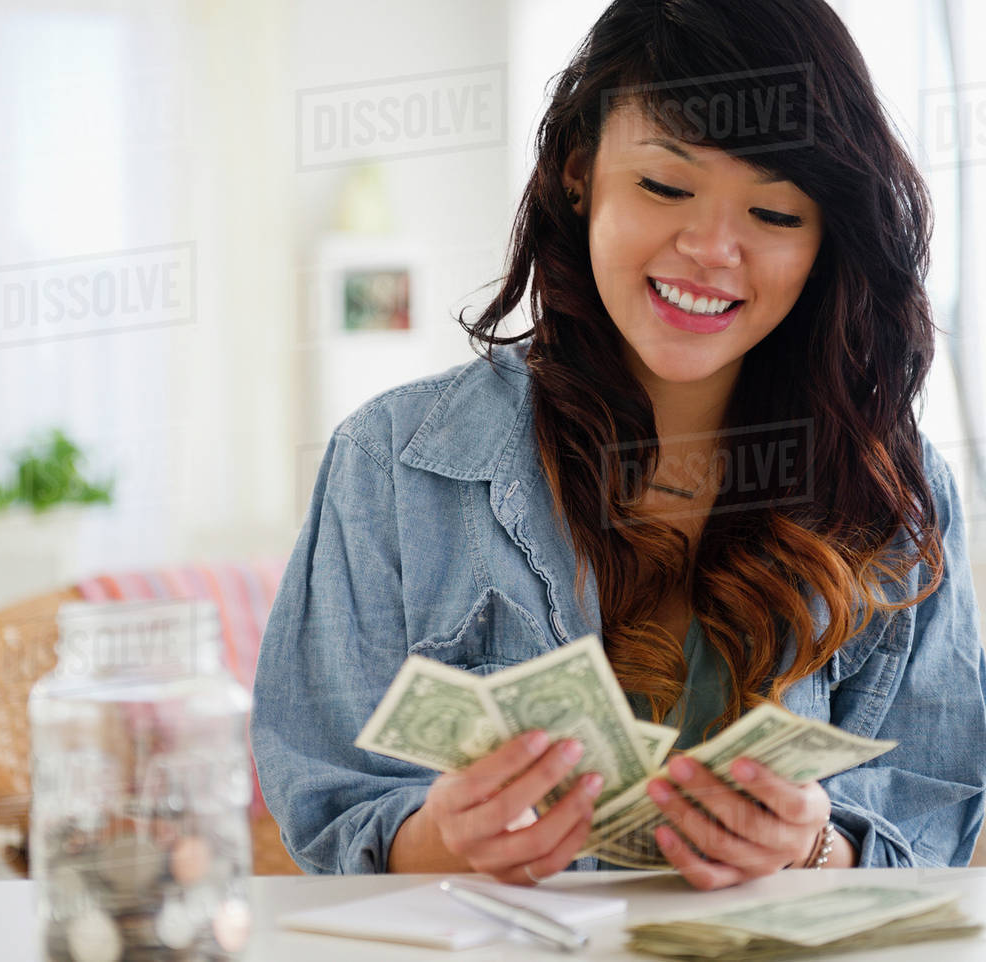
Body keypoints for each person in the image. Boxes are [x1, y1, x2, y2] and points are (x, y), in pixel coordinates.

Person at [250, 0, 986, 890]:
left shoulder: (894, 493)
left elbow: (936, 814)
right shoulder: (392, 463)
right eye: (665, 188)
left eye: (775, 214)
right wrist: (446, 840)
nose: (712, 250)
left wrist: (812, 846)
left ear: (829, 238)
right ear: (578, 174)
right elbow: (327, 800)